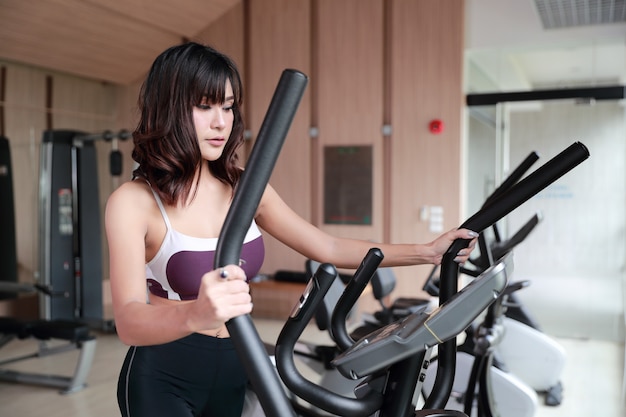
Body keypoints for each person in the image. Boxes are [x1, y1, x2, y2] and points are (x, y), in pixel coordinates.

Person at [105, 41, 478, 417]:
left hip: (238, 359)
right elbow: (130, 320)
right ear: (168, 108)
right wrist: (194, 313)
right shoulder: (133, 202)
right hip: (164, 374)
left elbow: (327, 247)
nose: (221, 121)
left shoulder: (245, 186)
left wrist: (427, 251)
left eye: (229, 106)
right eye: (204, 106)